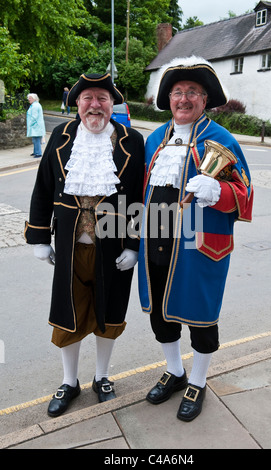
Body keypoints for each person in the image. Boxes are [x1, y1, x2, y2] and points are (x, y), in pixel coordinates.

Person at [138, 57, 253, 422]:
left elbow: (246, 196)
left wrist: (217, 190)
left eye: (192, 92)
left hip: (200, 246)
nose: (183, 99)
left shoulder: (222, 139)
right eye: (177, 92)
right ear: (168, 99)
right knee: (160, 312)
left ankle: (198, 381)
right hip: (155, 241)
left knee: (201, 318)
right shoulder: (154, 139)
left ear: (205, 100)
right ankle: (175, 371)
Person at [25, 73, 144, 417]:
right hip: (70, 244)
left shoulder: (131, 140)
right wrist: (39, 237)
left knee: (109, 312)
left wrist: (134, 245)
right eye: (88, 98)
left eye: (102, 99)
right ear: (77, 104)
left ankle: (102, 377)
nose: (95, 105)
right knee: (68, 313)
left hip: (114, 244)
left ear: (112, 105)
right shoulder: (61, 137)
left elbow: (139, 196)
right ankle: (69, 381)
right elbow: (43, 188)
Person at [26, 93, 46, 158]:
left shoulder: (35, 106)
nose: (28, 99)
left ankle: (38, 153)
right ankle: (35, 152)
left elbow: (34, 116)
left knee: (36, 139)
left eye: (30, 98)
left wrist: (30, 124)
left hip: (36, 125)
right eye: (28, 98)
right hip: (36, 125)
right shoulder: (35, 105)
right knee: (35, 139)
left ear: (34, 99)